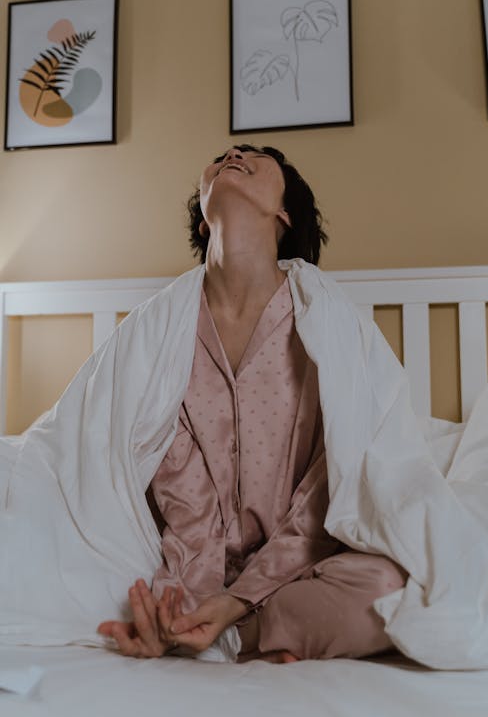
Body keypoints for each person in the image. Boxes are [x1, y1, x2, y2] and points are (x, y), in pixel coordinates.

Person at [98, 145, 407, 663]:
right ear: (203, 221)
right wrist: (182, 606)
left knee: (390, 586)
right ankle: (205, 633)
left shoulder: (324, 321)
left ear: (284, 214)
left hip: (304, 565)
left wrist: (240, 601)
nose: (233, 152)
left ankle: (248, 634)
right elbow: (183, 502)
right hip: (189, 559)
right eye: (220, 156)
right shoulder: (165, 331)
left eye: (254, 159)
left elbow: (331, 481)